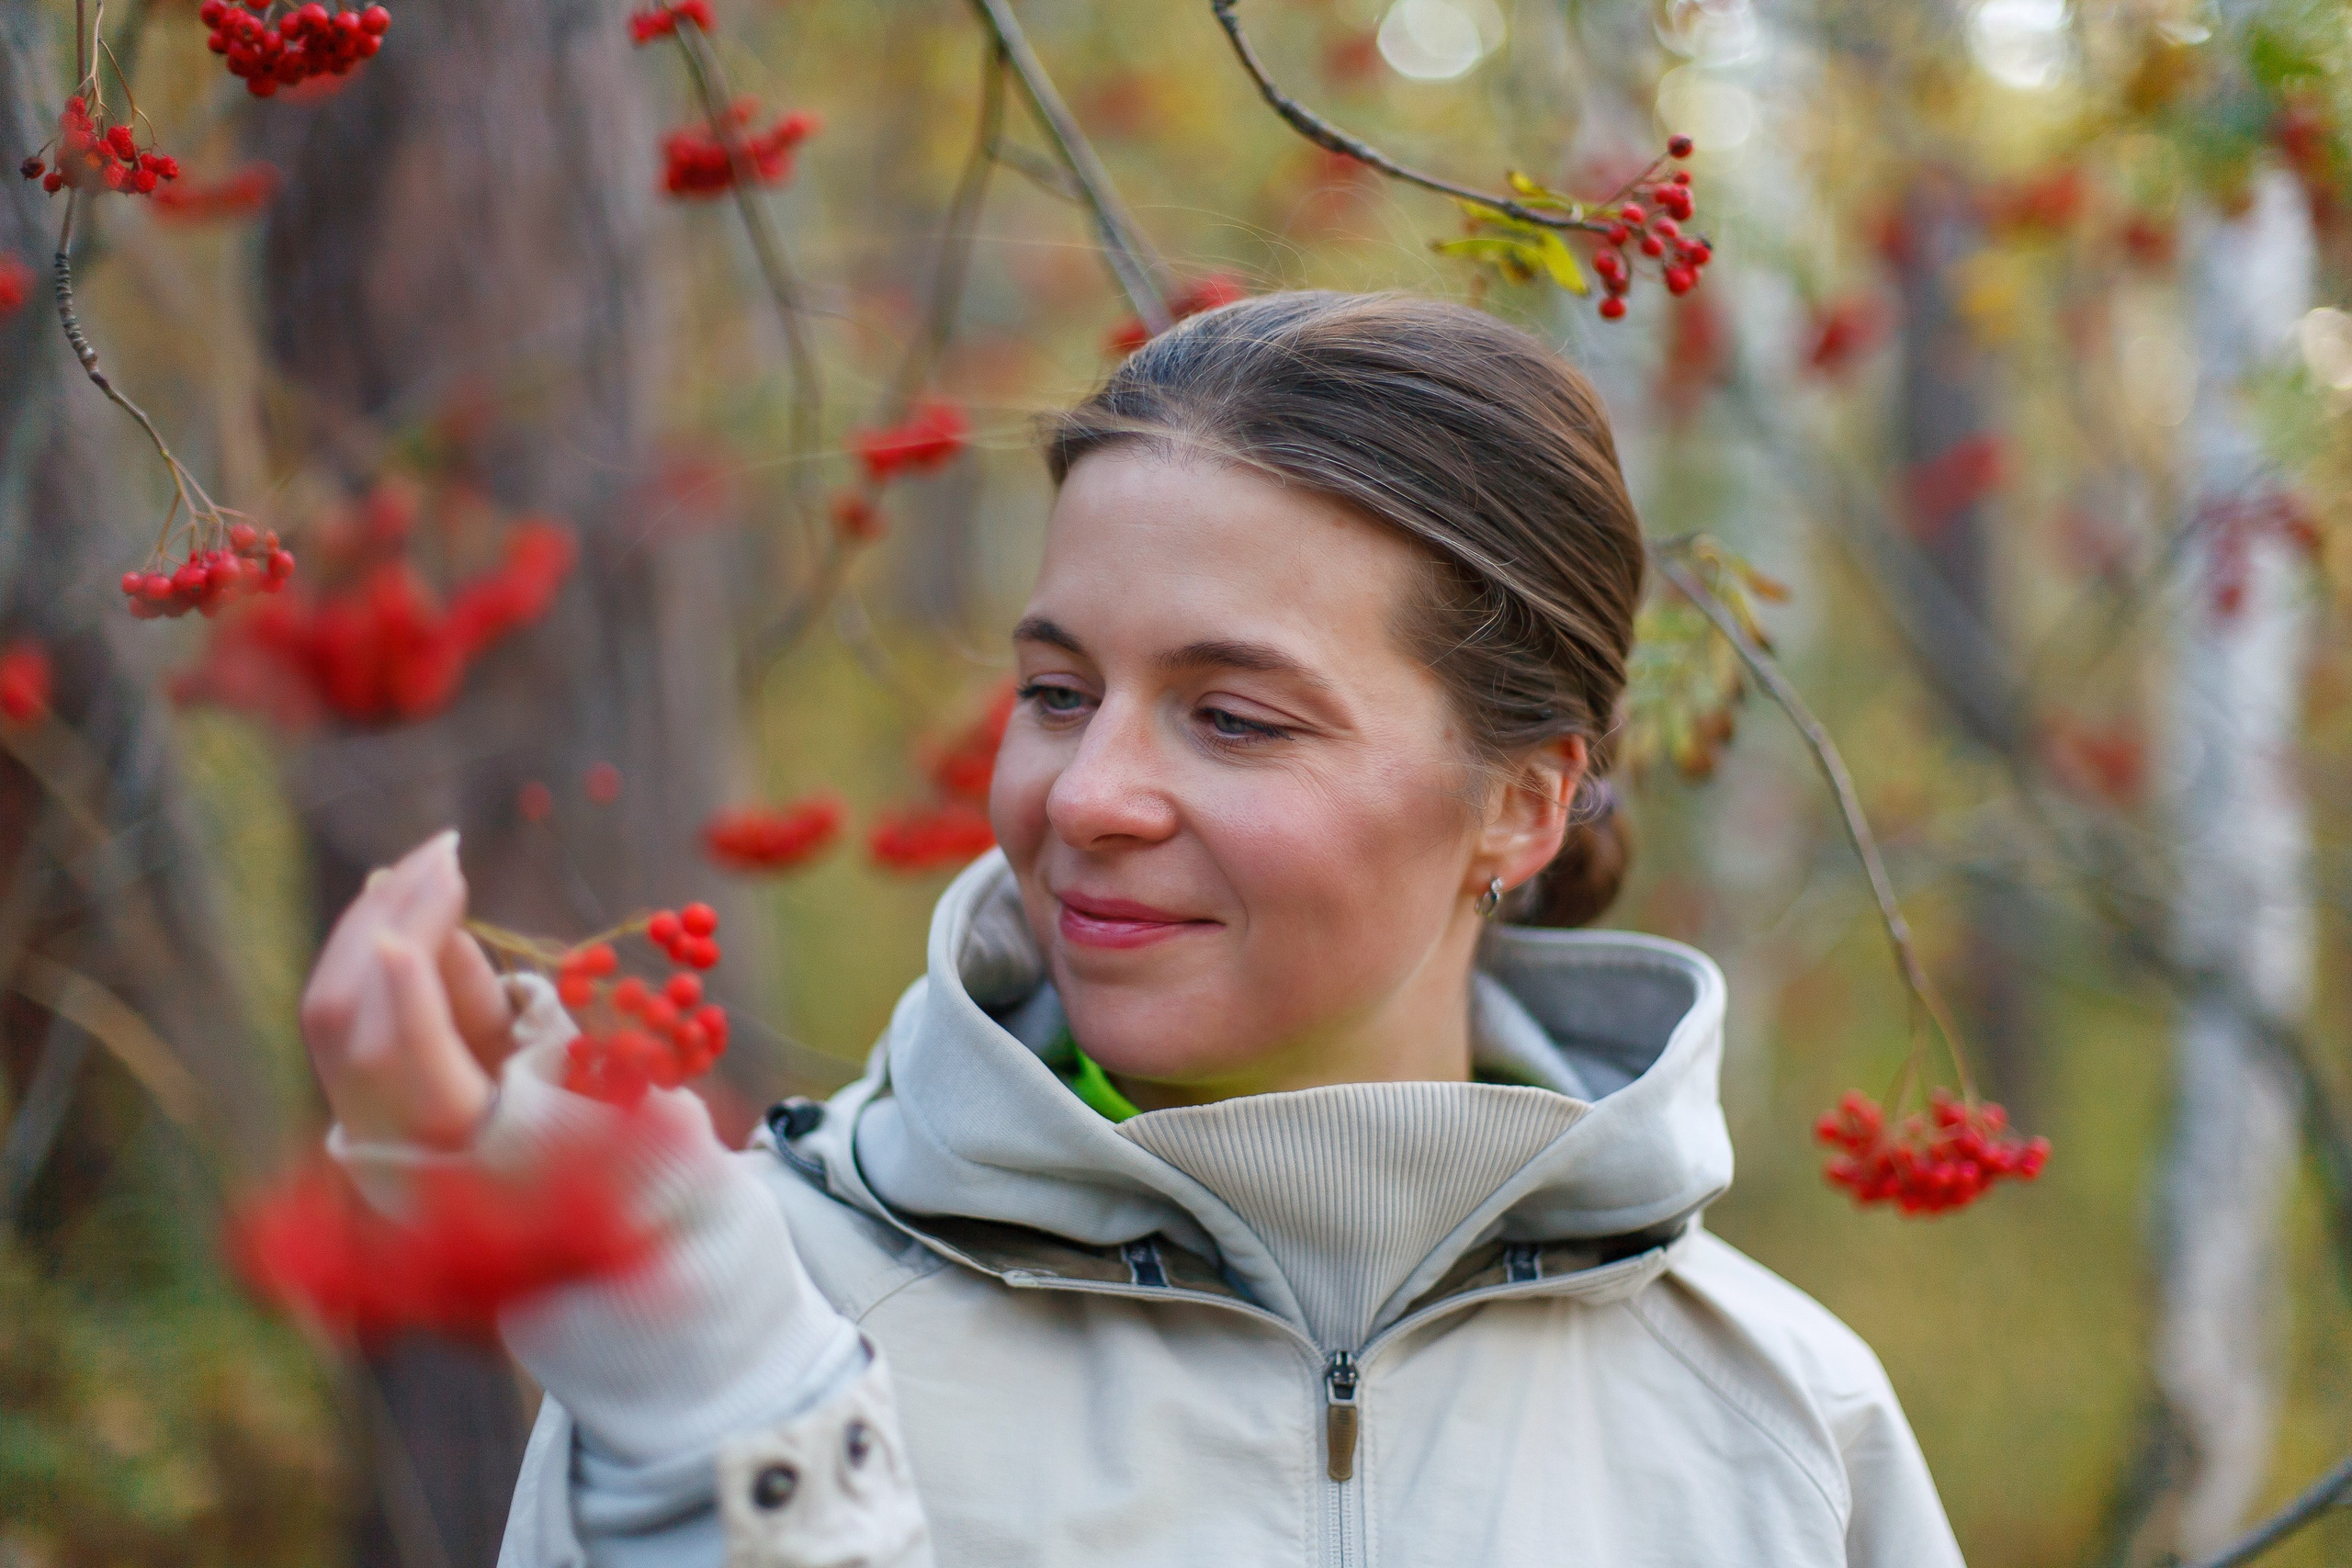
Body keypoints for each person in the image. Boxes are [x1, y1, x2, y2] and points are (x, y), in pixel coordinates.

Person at [301, 291, 1966, 1567]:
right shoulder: (749, 1318)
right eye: (1055, 691)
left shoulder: (1784, 1412)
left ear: (1524, 805)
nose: (1085, 794)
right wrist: (717, 1410)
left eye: (1233, 718)